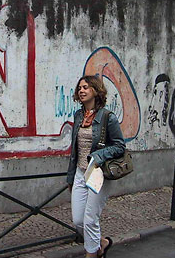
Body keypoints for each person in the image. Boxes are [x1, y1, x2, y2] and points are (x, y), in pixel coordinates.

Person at [67, 74, 125, 258]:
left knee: (90, 219)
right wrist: (71, 176)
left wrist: (99, 155)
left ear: (96, 91)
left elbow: (119, 146)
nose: (81, 91)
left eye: (86, 87)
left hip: (98, 172)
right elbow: (75, 150)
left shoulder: (108, 117)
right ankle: (101, 243)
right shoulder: (78, 115)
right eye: (80, 88)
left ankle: (91, 254)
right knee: (78, 220)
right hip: (80, 172)